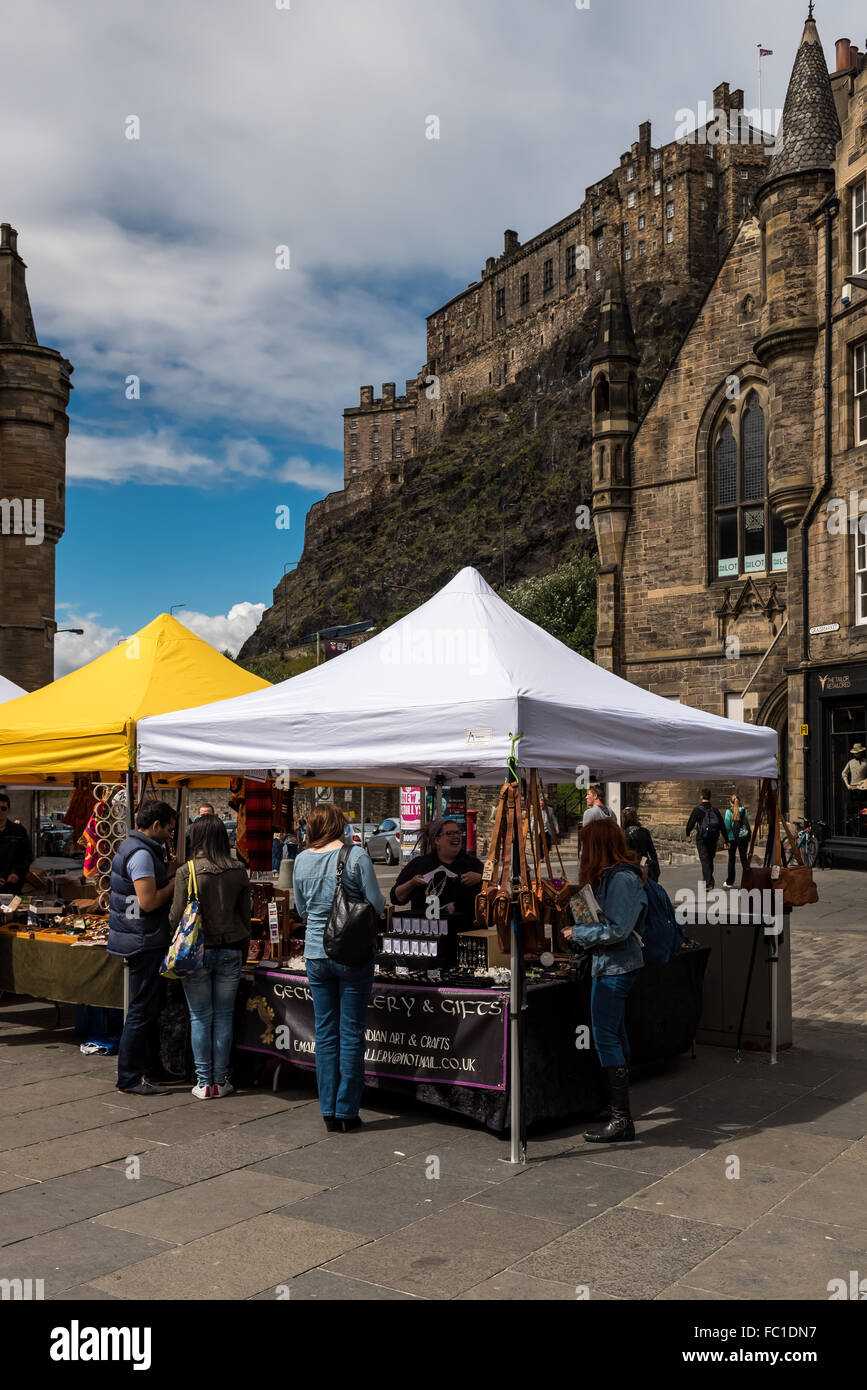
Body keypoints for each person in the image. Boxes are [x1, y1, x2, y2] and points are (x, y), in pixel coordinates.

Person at [293, 805, 385, 1132]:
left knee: (326, 1033)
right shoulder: (356, 856)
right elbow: (377, 903)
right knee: (351, 1033)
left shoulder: (301, 859)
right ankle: (347, 1112)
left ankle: (328, 1111)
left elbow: (301, 909)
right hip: (353, 954)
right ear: (339, 825)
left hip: (317, 953)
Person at [561, 818, 646, 1143]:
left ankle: (621, 1118)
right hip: (610, 964)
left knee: (606, 1036)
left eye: (586, 845)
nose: (582, 852)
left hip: (616, 966)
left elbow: (617, 929)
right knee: (614, 1032)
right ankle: (615, 1106)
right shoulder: (613, 875)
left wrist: (578, 931)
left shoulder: (622, 878)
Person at [169, 815, 251, 1099]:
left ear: (196, 838)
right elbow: (245, 917)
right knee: (224, 1016)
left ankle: (204, 1083)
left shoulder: (187, 871)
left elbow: (175, 918)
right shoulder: (238, 870)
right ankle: (221, 1079)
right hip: (231, 949)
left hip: (197, 953)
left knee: (200, 1017)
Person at [107, 801, 180, 1096]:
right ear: (155, 826)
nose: (170, 835)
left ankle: (152, 1069)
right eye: (169, 829)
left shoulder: (137, 848)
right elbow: (147, 902)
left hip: (141, 935)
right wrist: (174, 883)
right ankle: (129, 1077)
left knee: (150, 1008)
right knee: (141, 1010)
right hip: (143, 939)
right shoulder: (141, 854)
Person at [390, 819, 483, 970]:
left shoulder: (474, 865)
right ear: (437, 840)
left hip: (464, 943)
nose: (456, 837)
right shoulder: (419, 864)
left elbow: (493, 893)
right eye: (450, 833)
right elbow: (396, 897)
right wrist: (412, 883)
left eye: (458, 833)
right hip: (426, 942)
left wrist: (481, 879)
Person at [685, 788, 724, 890]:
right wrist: (727, 840)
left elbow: (690, 824)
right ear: (710, 797)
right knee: (709, 859)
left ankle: (708, 883)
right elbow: (722, 825)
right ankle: (708, 880)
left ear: (701, 797)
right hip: (713, 838)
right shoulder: (715, 810)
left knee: (704, 860)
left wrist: (687, 833)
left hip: (702, 838)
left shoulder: (697, 810)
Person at [0, 793, 32, 890]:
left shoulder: (19, 831)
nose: (0, 811)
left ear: (8, 810)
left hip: (13, 885)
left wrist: (17, 873)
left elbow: (27, 856)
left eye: (3, 808)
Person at [621, 807, 660, 882]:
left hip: (630, 868)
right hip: (644, 864)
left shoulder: (622, 834)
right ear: (636, 817)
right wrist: (657, 868)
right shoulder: (645, 832)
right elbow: (652, 852)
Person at [723, 793, 751, 888]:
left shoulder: (728, 812)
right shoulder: (744, 811)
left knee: (731, 859)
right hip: (742, 837)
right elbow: (746, 823)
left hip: (732, 838)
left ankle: (730, 882)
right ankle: (748, 881)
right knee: (744, 858)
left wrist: (725, 839)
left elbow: (726, 827)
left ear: (731, 802)